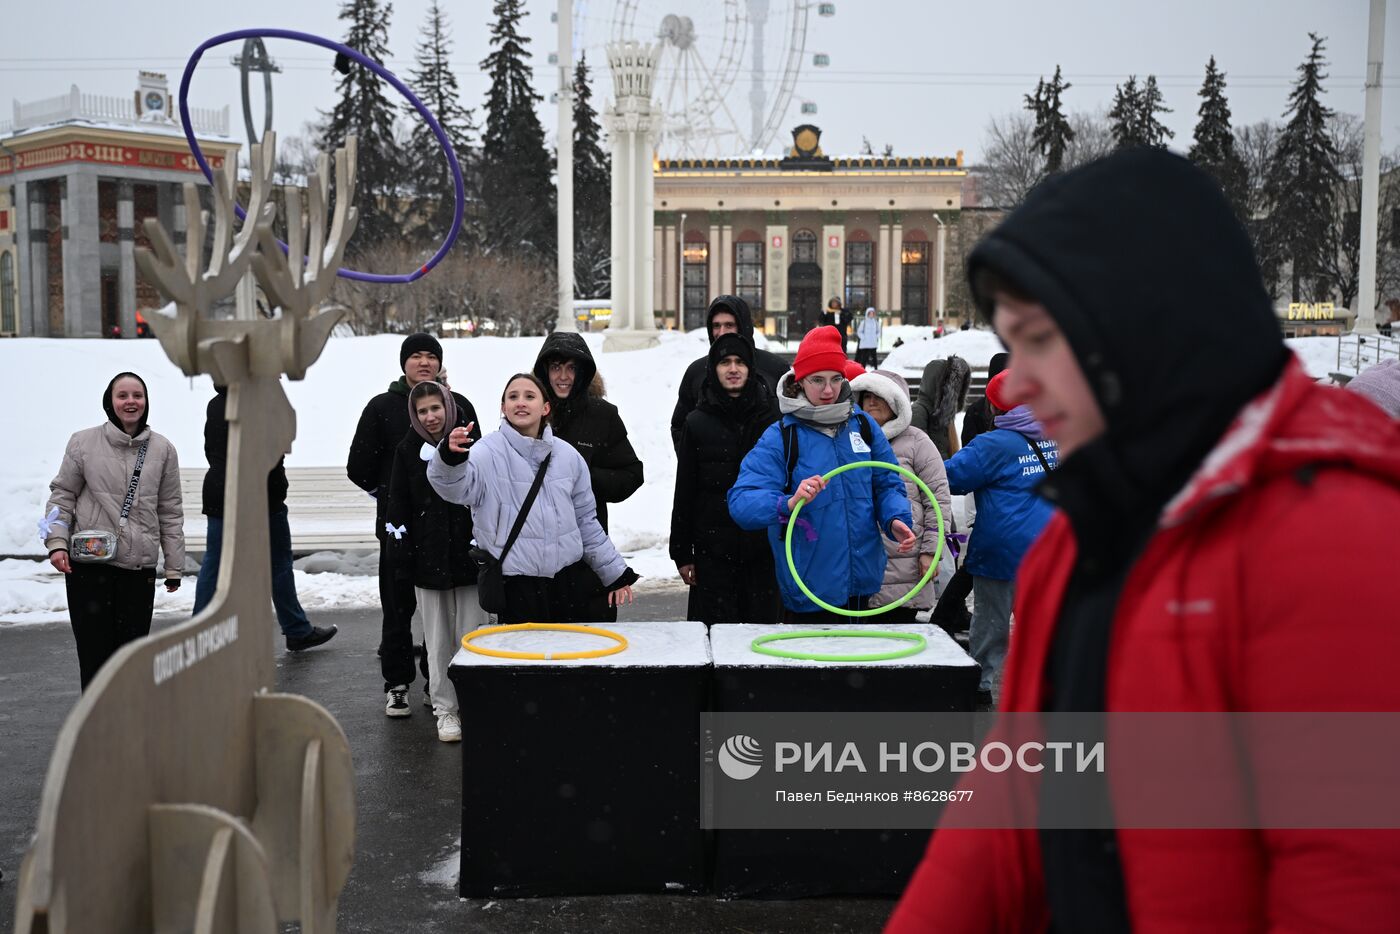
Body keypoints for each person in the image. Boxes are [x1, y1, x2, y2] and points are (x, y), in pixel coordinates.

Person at [888, 148, 1400, 932]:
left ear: (1139, 327)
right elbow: (1009, 809)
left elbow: (1351, 883)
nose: (1015, 386)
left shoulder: (1336, 534)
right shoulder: (1085, 529)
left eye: (1037, 341)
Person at [728, 326, 916, 623]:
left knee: (858, 667)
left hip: (862, 586)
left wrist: (896, 519)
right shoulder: (782, 436)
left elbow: (887, 483)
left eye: (836, 379)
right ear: (799, 381)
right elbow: (741, 502)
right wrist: (788, 503)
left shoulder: (863, 426)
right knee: (817, 669)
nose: (828, 390)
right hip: (808, 590)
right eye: (817, 380)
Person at [428, 373, 639, 625]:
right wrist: (450, 458)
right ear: (503, 407)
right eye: (513, 396)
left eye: (530, 396)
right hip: (516, 587)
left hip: (566, 584)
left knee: (565, 660)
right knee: (526, 663)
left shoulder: (568, 456)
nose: (521, 402)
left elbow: (586, 523)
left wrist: (615, 573)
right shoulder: (486, 452)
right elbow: (453, 487)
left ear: (545, 407)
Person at [44, 372, 184, 690]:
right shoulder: (83, 442)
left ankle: (127, 731)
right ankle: (95, 731)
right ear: (110, 400)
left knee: (131, 660)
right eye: (123, 395)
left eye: (138, 395)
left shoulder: (163, 449)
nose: (130, 402)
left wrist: (174, 567)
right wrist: (56, 542)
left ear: (146, 402)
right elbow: (62, 495)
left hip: (138, 569)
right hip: (88, 569)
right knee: (94, 657)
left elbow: (170, 511)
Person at [942, 370, 1057, 704]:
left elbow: (954, 478)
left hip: (1001, 551)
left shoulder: (991, 445)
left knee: (991, 624)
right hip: (1046, 548)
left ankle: (979, 684)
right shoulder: (1053, 434)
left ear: (993, 408)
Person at [193, 386, 337, 652]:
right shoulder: (260, 401)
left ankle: (199, 636)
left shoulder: (218, 403)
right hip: (259, 496)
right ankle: (296, 630)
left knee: (216, 566)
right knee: (276, 565)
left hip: (224, 494)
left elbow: (212, 450)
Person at [347, 333, 443, 714]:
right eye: (416, 356)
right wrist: (388, 497)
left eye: (431, 356)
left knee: (439, 611)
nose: (424, 362)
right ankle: (398, 682)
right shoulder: (382, 407)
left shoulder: (452, 406)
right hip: (398, 530)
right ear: (403, 364)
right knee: (398, 608)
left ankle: (436, 678)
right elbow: (359, 466)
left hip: (442, 530)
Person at [385, 380, 483, 741]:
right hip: (427, 561)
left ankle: (475, 702)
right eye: (422, 410)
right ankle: (445, 709)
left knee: (472, 636)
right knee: (437, 640)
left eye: (436, 408)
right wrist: (402, 553)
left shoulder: (473, 445)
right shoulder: (407, 451)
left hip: (470, 557)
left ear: (449, 407)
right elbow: (398, 505)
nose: (430, 417)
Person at [671, 332, 782, 624]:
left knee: (760, 636)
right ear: (713, 368)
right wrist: (682, 552)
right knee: (716, 633)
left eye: (740, 362)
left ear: (751, 367)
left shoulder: (772, 417)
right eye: (725, 362)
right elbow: (685, 490)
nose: (733, 369)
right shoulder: (697, 421)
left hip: (762, 548)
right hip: (713, 549)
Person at [533, 331, 644, 622]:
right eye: (556, 367)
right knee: (538, 653)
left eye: (571, 368)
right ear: (544, 370)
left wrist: (583, 476)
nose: (563, 376)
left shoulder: (602, 415)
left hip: (588, 558)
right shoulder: (530, 412)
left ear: (583, 372)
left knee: (593, 650)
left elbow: (632, 474)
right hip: (536, 559)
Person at [850, 369, 951, 623]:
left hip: (905, 567)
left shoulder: (918, 442)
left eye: (880, 396)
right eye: (867, 395)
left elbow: (937, 500)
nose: (872, 401)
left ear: (896, 402)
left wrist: (931, 550)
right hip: (861, 566)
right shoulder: (848, 441)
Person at [929, 350, 1013, 634]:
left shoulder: (992, 441)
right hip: (1028, 533)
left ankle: (945, 617)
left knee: (978, 577)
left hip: (997, 527)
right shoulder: (1045, 431)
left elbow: (955, 469)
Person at [670, 295, 789, 452]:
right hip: (713, 472)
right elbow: (680, 426)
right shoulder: (697, 372)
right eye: (716, 326)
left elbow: (790, 424)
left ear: (743, 326)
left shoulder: (774, 368)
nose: (722, 332)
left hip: (764, 473)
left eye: (729, 325)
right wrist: (696, 462)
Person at [909, 354, 970, 461]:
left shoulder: (944, 415)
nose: (956, 391)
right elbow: (919, 455)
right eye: (952, 386)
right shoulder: (918, 411)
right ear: (942, 386)